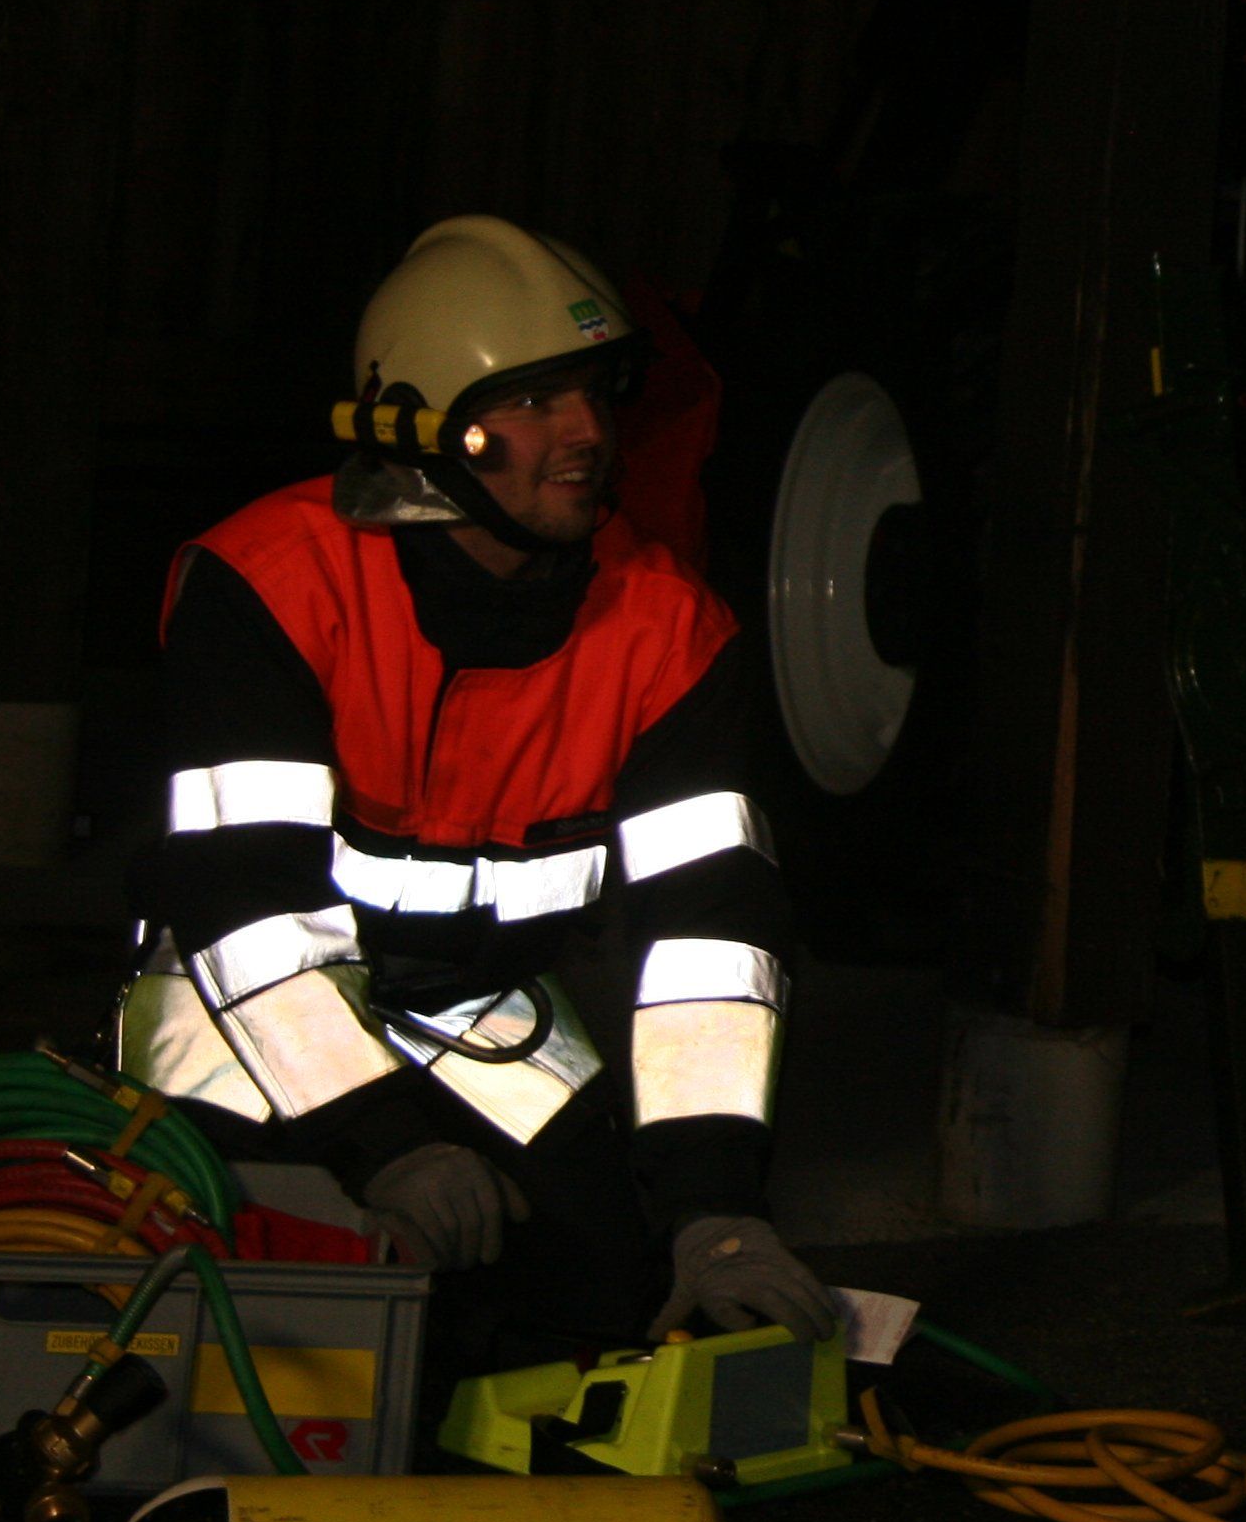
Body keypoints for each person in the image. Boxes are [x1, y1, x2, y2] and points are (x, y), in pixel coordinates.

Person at [119, 215, 836, 1378]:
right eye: (534, 401)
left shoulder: (665, 629)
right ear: (421, 429)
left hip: (477, 1011)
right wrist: (382, 1145)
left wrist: (714, 1209)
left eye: (596, 393)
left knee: (613, 1292)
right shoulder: (278, 582)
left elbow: (711, 944)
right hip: (239, 1011)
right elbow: (242, 904)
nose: (587, 433)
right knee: (252, 1300)